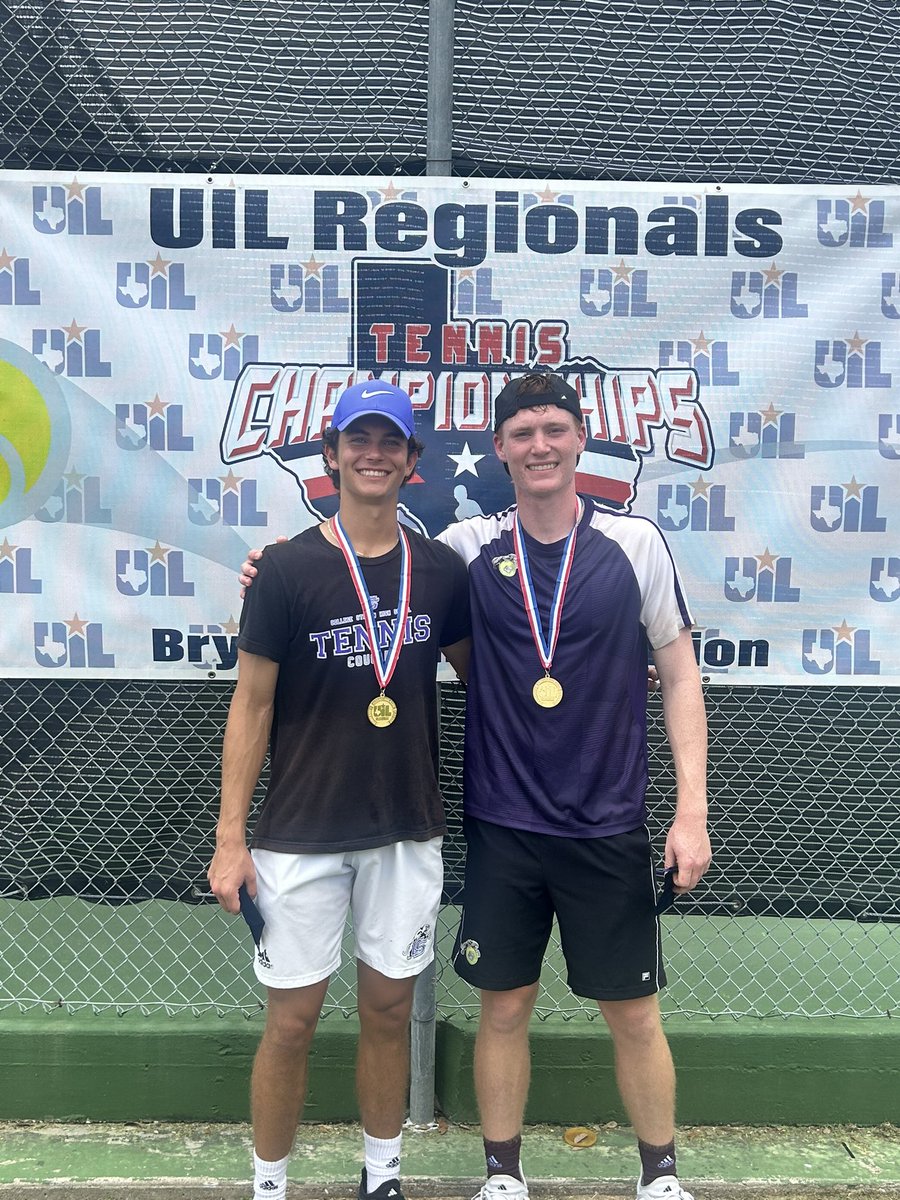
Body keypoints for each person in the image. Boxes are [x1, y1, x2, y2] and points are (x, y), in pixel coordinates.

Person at [241, 372, 710, 1200]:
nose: (540, 446)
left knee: (635, 1014)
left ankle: (660, 1175)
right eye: (522, 433)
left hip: (608, 822)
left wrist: (692, 812)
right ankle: (501, 1174)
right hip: (502, 822)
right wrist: (268, 571)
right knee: (500, 1010)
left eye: (554, 429)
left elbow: (678, 675)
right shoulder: (463, 548)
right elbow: (372, 580)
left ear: (580, 437)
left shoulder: (635, 544)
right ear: (497, 449)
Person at [209, 380, 471, 1200]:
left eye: (390, 442)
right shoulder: (286, 569)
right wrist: (229, 837)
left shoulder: (440, 570)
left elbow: (491, 676)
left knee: (389, 1014)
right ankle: (270, 1184)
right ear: (329, 457)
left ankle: (382, 1177)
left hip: (404, 828)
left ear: (412, 464)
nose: (373, 454)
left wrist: (602, 673)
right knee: (291, 1023)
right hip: (300, 833)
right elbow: (250, 704)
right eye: (357, 440)